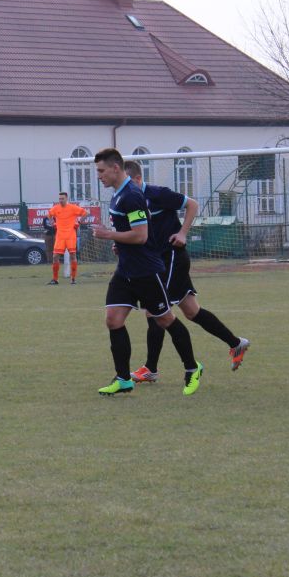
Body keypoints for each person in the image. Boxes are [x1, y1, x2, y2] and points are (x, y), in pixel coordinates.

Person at [123, 160, 251, 383]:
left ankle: (150, 368)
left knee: (155, 311)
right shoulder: (130, 200)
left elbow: (192, 204)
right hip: (158, 261)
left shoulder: (157, 194)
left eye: (127, 182)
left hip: (172, 257)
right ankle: (236, 343)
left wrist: (182, 233)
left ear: (137, 179)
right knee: (192, 311)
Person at [90, 148, 202, 396]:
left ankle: (192, 368)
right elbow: (132, 233)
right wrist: (118, 243)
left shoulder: (131, 196)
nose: (99, 176)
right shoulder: (118, 195)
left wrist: (109, 235)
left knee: (165, 320)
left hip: (146, 271)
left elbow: (140, 236)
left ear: (115, 168)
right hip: (126, 270)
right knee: (113, 320)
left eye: (101, 171)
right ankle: (123, 379)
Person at [46, 192, 86, 285]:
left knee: (73, 255)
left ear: (66, 198)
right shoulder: (56, 208)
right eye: (59, 199)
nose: (61, 200)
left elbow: (85, 213)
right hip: (60, 236)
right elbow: (49, 215)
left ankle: (73, 279)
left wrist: (79, 222)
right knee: (55, 256)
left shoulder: (73, 208)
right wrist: (52, 223)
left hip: (70, 235)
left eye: (62, 198)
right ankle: (55, 279)